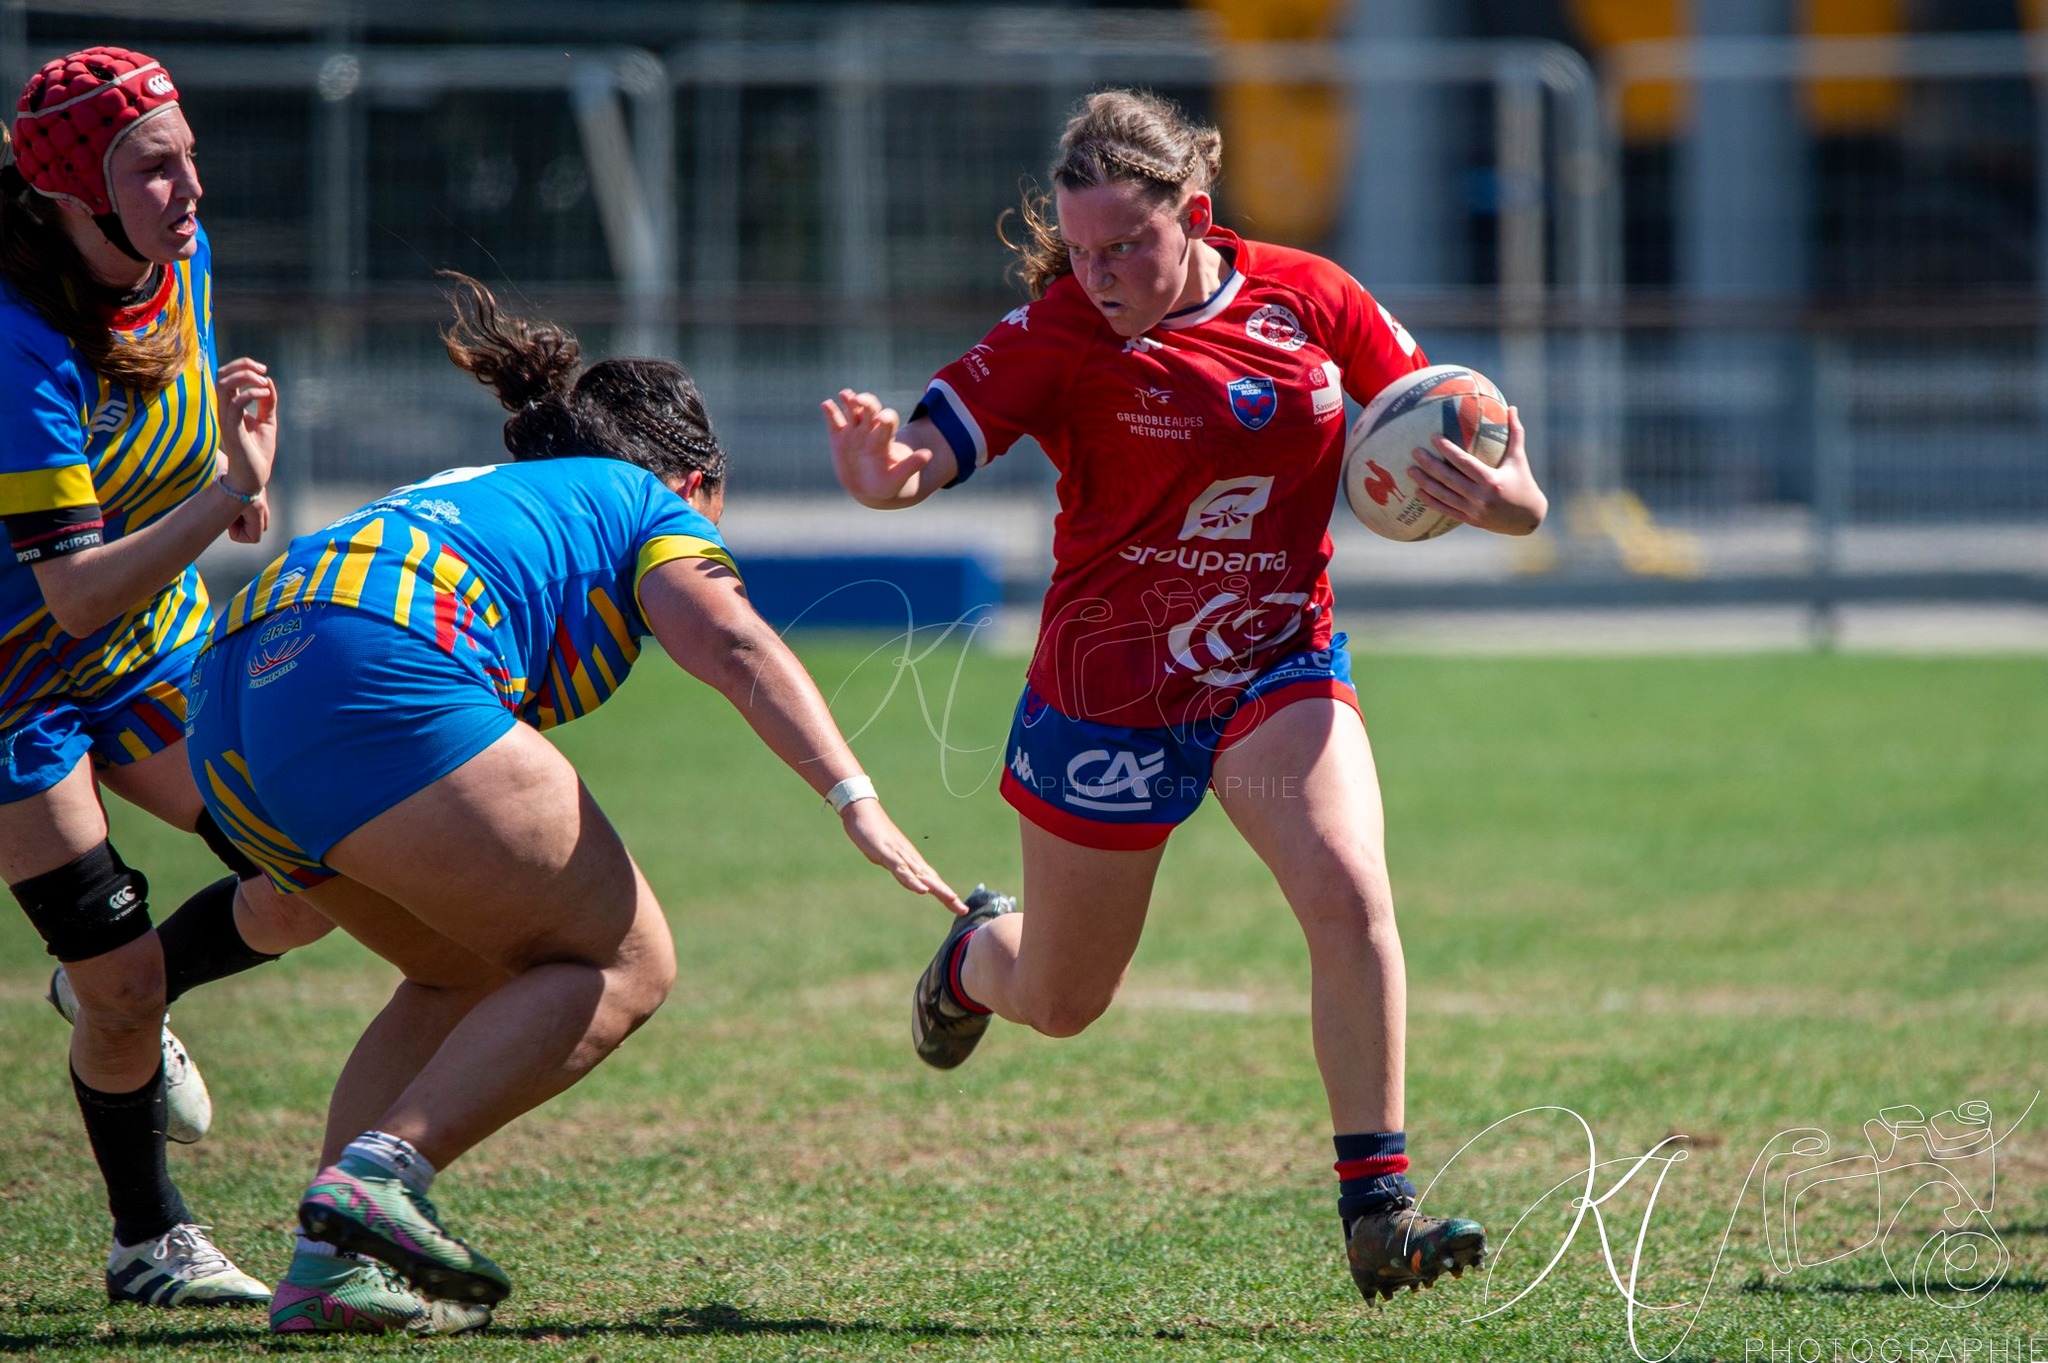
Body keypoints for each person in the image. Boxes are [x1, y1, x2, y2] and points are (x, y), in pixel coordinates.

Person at [822, 89, 1548, 1305]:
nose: (1098, 274)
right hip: (1108, 696)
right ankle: (968, 958)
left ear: (1193, 214)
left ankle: (1378, 1206)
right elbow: (926, 454)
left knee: (1348, 888)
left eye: (1125, 247)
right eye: (1082, 249)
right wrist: (882, 478)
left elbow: (1477, 453)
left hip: (1275, 663)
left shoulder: (1309, 295)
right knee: (1059, 999)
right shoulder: (1062, 330)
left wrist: (1505, 498)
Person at [184, 273, 967, 1336]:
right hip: (372, 663)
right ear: (699, 483)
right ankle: (381, 1174)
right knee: (627, 959)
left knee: (456, 967)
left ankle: (326, 1273)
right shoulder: (645, 503)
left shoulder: (503, 498)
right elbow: (731, 641)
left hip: (233, 687)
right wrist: (854, 797)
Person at [0, 47, 333, 1308]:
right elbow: (71, 589)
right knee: (124, 979)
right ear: (74, 194)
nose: (191, 185)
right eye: (155, 166)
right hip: (16, 689)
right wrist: (230, 492)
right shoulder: (16, 339)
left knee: (310, 867)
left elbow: (164, 409)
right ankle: (149, 1240)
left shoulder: (169, 254)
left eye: (188, 150)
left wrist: (218, 449)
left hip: (149, 645)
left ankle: (112, 999)